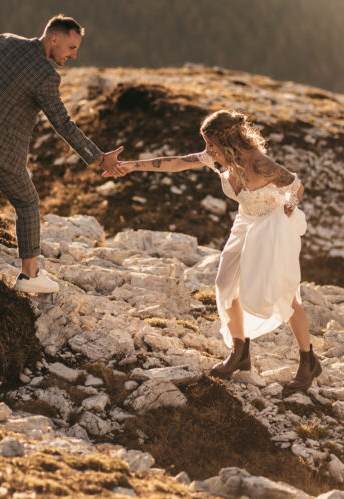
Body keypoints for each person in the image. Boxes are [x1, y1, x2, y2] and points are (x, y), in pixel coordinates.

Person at [108, 110, 321, 393]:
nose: (208, 151)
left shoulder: (259, 163)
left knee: (282, 292)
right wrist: (130, 166)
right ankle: (240, 352)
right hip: (246, 220)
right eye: (206, 144)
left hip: (271, 224)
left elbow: (296, 185)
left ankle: (308, 362)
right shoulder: (217, 158)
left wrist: (288, 210)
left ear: (229, 142)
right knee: (225, 285)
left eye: (211, 144)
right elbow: (175, 163)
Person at [0, 15, 126, 294]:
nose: (74, 55)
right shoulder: (46, 76)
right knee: (27, 202)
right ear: (54, 38)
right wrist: (99, 157)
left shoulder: (4, 41)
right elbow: (63, 123)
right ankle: (29, 275)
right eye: (71, 47)